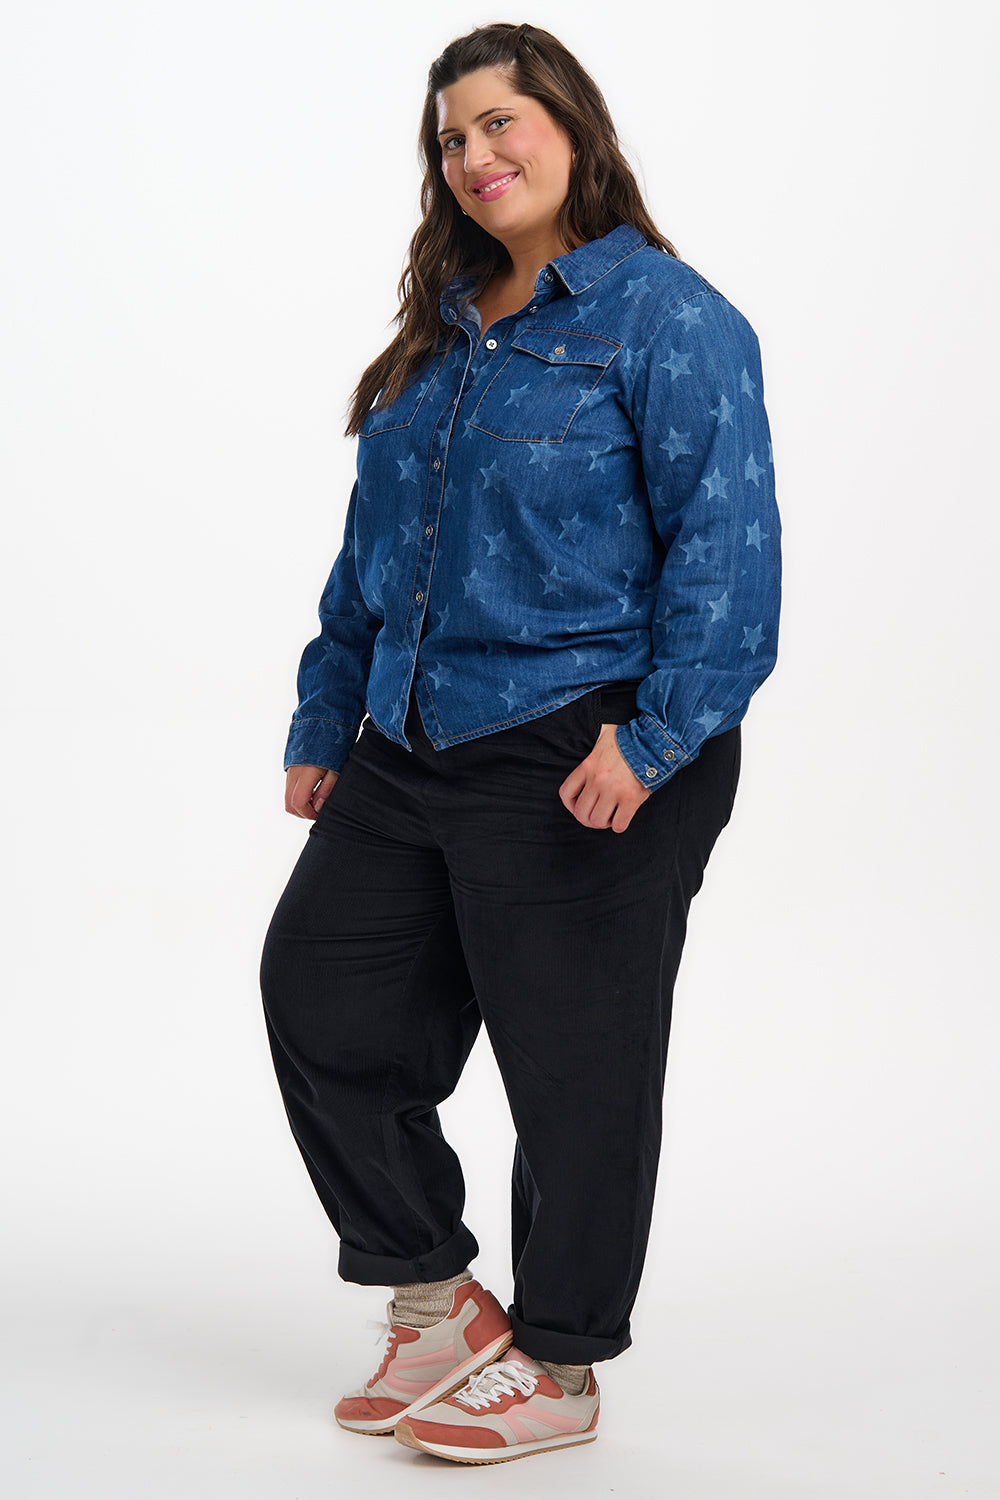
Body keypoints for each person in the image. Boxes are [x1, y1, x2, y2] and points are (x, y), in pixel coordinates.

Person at [259, 19, 781, 1466]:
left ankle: (559, 1361)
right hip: (410, 734)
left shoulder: (668, 321)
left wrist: (658, 741)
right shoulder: (447, 326)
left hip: (585, 741)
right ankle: (434, 1297)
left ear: (571, 123)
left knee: (575, 1062)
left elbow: (728, 558)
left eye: (502, 121)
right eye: (450, 136)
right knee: (319, 989)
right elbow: (375, 553)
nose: (476, 154)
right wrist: (327, 710)